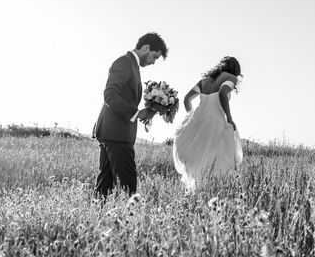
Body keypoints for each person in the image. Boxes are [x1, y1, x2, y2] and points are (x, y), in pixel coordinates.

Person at [92, 32, 168, 197]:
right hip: (117, 133)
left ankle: (98, 219)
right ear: (146, 48)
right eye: (154, 57)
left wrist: (148, 111)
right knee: (128, 186)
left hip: (112, 132)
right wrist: (135, 113)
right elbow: (110, 95)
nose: (153, 62)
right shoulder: (124, 63)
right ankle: (129, 222)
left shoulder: (132, 65)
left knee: (104, 185)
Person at [172, 56, 243, 189]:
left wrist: (191, 116)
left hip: (197, 122)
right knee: (220, 162)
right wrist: (229, 118)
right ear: (235, 71)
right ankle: (213, 192)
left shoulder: (205, 80)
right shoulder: (231, 78)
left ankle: (200, 191)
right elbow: (222, 93)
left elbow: (187, 99)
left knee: (200, 161)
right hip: (216, 122)